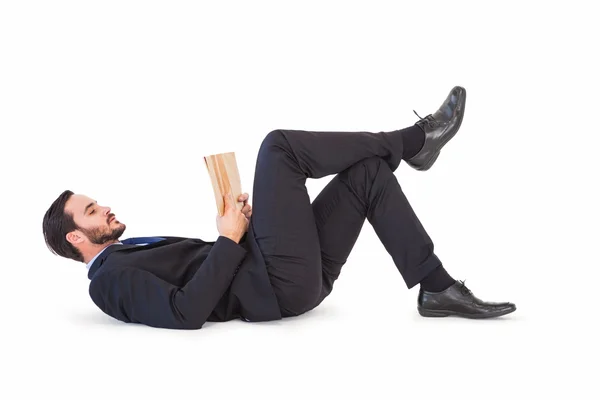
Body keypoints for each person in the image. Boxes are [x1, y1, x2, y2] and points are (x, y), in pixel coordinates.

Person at [42, 86, 516, 330]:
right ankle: (416, 141)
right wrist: (228, 241)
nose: (104, 207)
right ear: (75, 238)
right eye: (91, 210)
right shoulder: (107, 284)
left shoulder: (128, 253)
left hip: (287, 274)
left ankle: (436, 289)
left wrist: (240, 229)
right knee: (278, 148)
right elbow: (184, 312)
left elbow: (207, 270)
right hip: (275, 285)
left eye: (96, 202)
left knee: (368, 174)